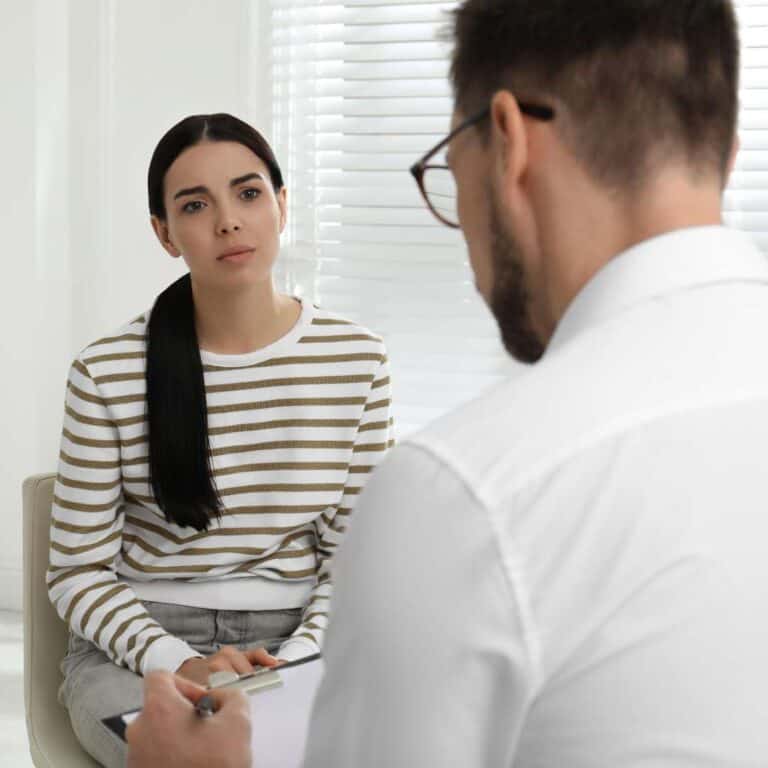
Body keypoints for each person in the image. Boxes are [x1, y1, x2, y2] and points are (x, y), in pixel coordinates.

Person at [127, 1, 768, 766]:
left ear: (508, 141)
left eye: (444, 165)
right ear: (722, 152)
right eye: (196, 205)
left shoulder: (467, 494)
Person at [47, 112, 394, 768]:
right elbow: (77, 571)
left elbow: (356, 558)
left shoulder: (358, 358)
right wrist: (185, 664)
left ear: (281, 206)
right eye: (195, 205)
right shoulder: (107, 370)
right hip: (141, 646)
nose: (228, 220)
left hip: (299, 636)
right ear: (164, 233)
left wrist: (288, 669)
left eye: (248, 193)